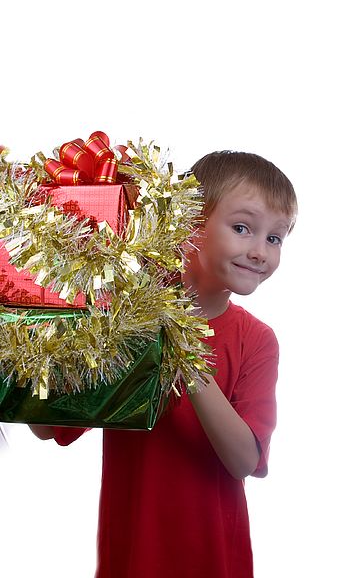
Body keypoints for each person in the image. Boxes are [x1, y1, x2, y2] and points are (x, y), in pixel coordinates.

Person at [31, 150, 298, 578]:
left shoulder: (257, 340)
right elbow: (50, 427)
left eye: (275, 238)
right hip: (131, 556)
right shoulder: (130, 320)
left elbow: (245, 460)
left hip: (214, 561)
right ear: (190, 223)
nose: (260, 252)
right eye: (243, 228)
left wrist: (182, 352)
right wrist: (29, 344)